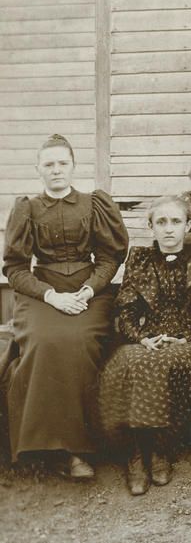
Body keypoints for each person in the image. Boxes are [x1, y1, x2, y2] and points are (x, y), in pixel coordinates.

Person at [1, 134, 129, 478]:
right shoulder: (27, 209)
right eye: (49, 164)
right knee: (43, 341)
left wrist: (88, 290)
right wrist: (50, 296)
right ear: (38, 169)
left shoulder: (94, 204)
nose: (56, 170)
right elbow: (15, 268)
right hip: (42, 293)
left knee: (78, 341)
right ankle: (38, 448)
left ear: (73, 166)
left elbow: (110, 258)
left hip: (90, 292)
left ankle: (76, 451)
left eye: (62, 163)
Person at [99, 196, 191, 496]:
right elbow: (125, 310)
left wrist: (187, 338)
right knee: (126, 361)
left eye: (176, 222)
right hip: (147, 338)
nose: (169, 229)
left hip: (188, 340)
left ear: (188, 226)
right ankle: (135, 453)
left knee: (170, 360)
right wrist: (141, 338)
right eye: (161, 222)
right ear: (151, 227)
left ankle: (159, 449)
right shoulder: (140, 259)